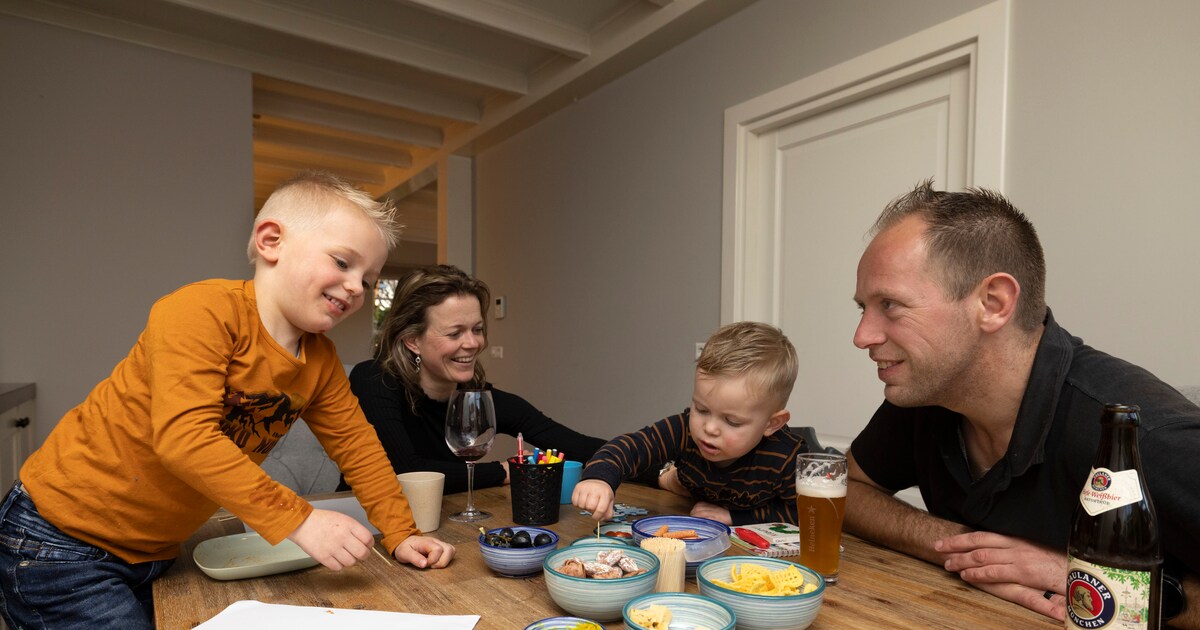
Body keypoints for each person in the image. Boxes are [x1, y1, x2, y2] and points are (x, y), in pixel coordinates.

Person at [0, 172, 456, 629]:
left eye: (368, 280)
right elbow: (185, 438)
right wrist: (301, 521)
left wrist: (401, 532)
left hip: (155, 551)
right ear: (271, 241)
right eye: (342, 262)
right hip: (59, 541)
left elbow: (359, 449)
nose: (356, 286)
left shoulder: (320, 360)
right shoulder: (200, 311)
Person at [846, 180, 1200, 626]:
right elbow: (848, 489)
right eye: (863, 308)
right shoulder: (930, 392)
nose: (862, 336)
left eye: (890, 305)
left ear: (994, 303)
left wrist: (1088, 580)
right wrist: (966, 547)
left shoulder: (1147, 437)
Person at [339, 264, 607, 495]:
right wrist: (505, 471)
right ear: (413, 340)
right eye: (454, 333)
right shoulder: (374, 380)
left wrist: (629, 455)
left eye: (477, 329)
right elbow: (407, 472)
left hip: (444, 523)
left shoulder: (479, 399)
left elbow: (580, 447)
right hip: (361, 524)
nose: (473, 343)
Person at [573, 321, 805, 526]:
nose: (709, 428)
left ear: (771, 424)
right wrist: (599, 478)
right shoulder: (683, 430)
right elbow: (631, 447)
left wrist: (735, 517)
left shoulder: (787, 458)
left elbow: (803, 514)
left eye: (732, 421)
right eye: (701, 409)